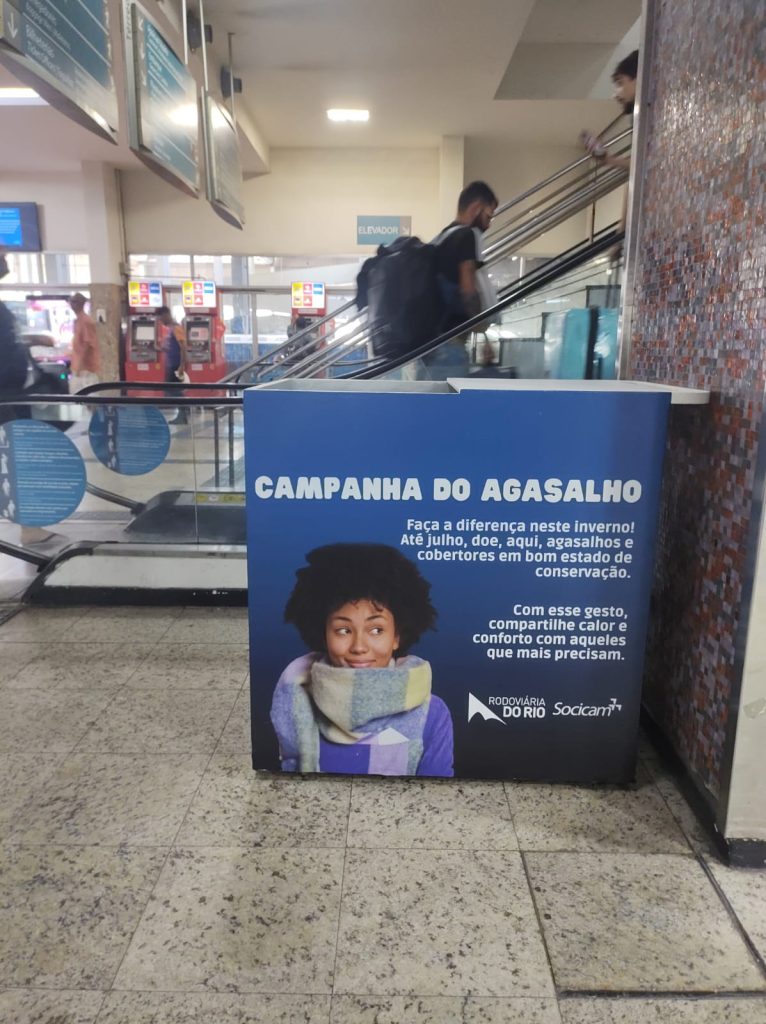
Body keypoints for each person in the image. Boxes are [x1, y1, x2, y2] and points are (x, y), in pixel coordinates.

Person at [270, 542, 454, 777]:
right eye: (343, 630)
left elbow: (433, 791)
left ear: (397, 636)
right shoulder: (294, 698)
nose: (359, 647)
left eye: (376, 630)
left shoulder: (431, 712)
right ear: (323, 634)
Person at [422, 180, 499, 379]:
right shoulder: (466, 235)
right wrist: (481, 326)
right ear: (475, 208)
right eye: (488, 216)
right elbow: (468, 290)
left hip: (429, 347)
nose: (488, 224)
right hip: (450, 348)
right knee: (451, 400)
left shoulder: (442, 238)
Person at [581, 50, 639, 257]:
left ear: (638, 78)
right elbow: (637, 171)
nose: (616, 94)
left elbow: (642, 168)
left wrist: (621, 233)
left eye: (621, 83)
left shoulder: (654, 116)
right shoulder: (640, 120)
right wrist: (620, 232)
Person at [158, 305, 188, 425]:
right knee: (171, 389)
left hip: (176, 365)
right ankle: (182, 413)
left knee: (174, 390)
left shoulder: (176, 328)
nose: (161, 321)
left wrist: (182, 365)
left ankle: (183, 412)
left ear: (166, 315)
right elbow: (172, 347)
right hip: (171, 364)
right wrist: (161, 349)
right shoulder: (170, 329)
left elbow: (183, 347)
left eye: (161, 318)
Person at [68, 292, 101, 394]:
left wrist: (79, 364)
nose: (71, 305)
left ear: (80, 303)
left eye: (74, 302)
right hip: (79, 368)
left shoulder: (86, 321)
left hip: (85, 370)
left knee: (86, 397)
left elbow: (88, 344)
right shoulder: (78, 320)